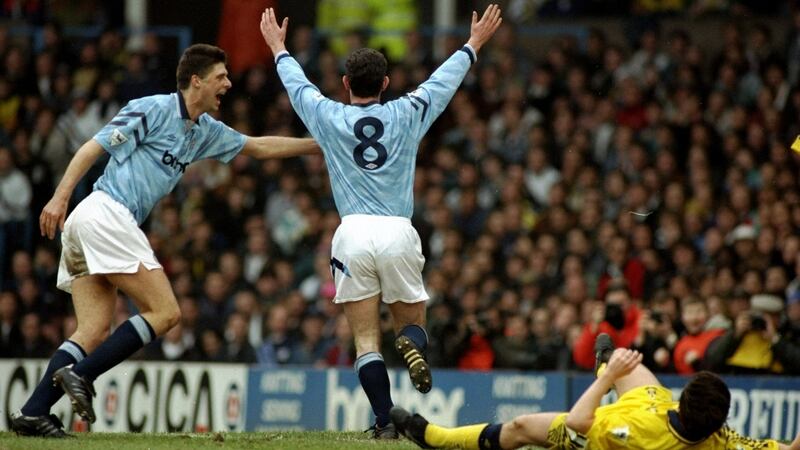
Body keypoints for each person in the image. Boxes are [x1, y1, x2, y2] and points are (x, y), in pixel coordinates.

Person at [10, 43, 318, 438]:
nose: (228, 83)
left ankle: (33, 412)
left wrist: (320, 144)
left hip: (95, 226)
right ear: (197, 81)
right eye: (221, 76)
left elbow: (257, 146)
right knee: (167, 312)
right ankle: (81, 374)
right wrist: (59, 196)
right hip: (104, 213)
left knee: (92, 331)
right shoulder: (153, 108)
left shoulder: (205, 132)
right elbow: (93, 146)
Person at [259, 4, 502, 438]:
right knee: (411, 323)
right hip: (397, 230)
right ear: (386, 84)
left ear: (346, 84)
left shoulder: (328, 115)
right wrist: (473, 44)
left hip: (351, 233)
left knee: (366, 340)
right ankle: (413, 343)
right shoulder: (407, 111)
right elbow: (441, 84)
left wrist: (278, 47)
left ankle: (385, 421)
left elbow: (298, 87)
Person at [391, 333, 797, 449]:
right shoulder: (725, 443)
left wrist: (604, 380)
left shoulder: (633, 436)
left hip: (595, 432)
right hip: (655, 411)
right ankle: (607, 360)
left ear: (683, 398)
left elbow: (579, 422)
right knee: (624, 357)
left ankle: (434, 437)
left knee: (518, 426)